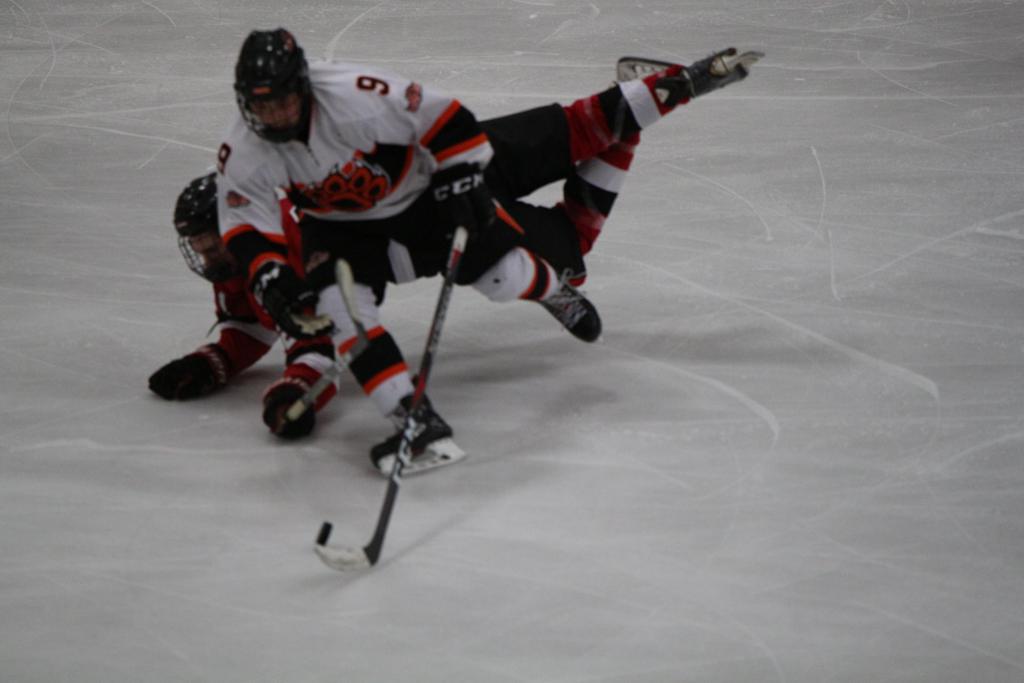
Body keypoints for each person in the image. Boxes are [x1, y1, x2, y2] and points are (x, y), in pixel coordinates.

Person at [215, 28, 759, 470]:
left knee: (503, 274)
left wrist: (461, 178)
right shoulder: (244, 147)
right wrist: (267, 275)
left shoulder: (356, 95)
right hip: (339, 230)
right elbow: (243, 223)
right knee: (342, 313)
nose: (275, 116)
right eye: (262, 106)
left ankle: (679, 87)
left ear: (304, 86)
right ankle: (414, 421)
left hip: (423, 189)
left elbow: (447, 118)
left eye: (283, 101)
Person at [148, 172, 337, 439]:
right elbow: (251, 326)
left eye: (212, 249)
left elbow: (317, 349)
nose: (208, 262)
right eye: (200, 250)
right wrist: (214, 361)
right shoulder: (237, 254)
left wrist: (298, 391)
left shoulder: (288, 247)